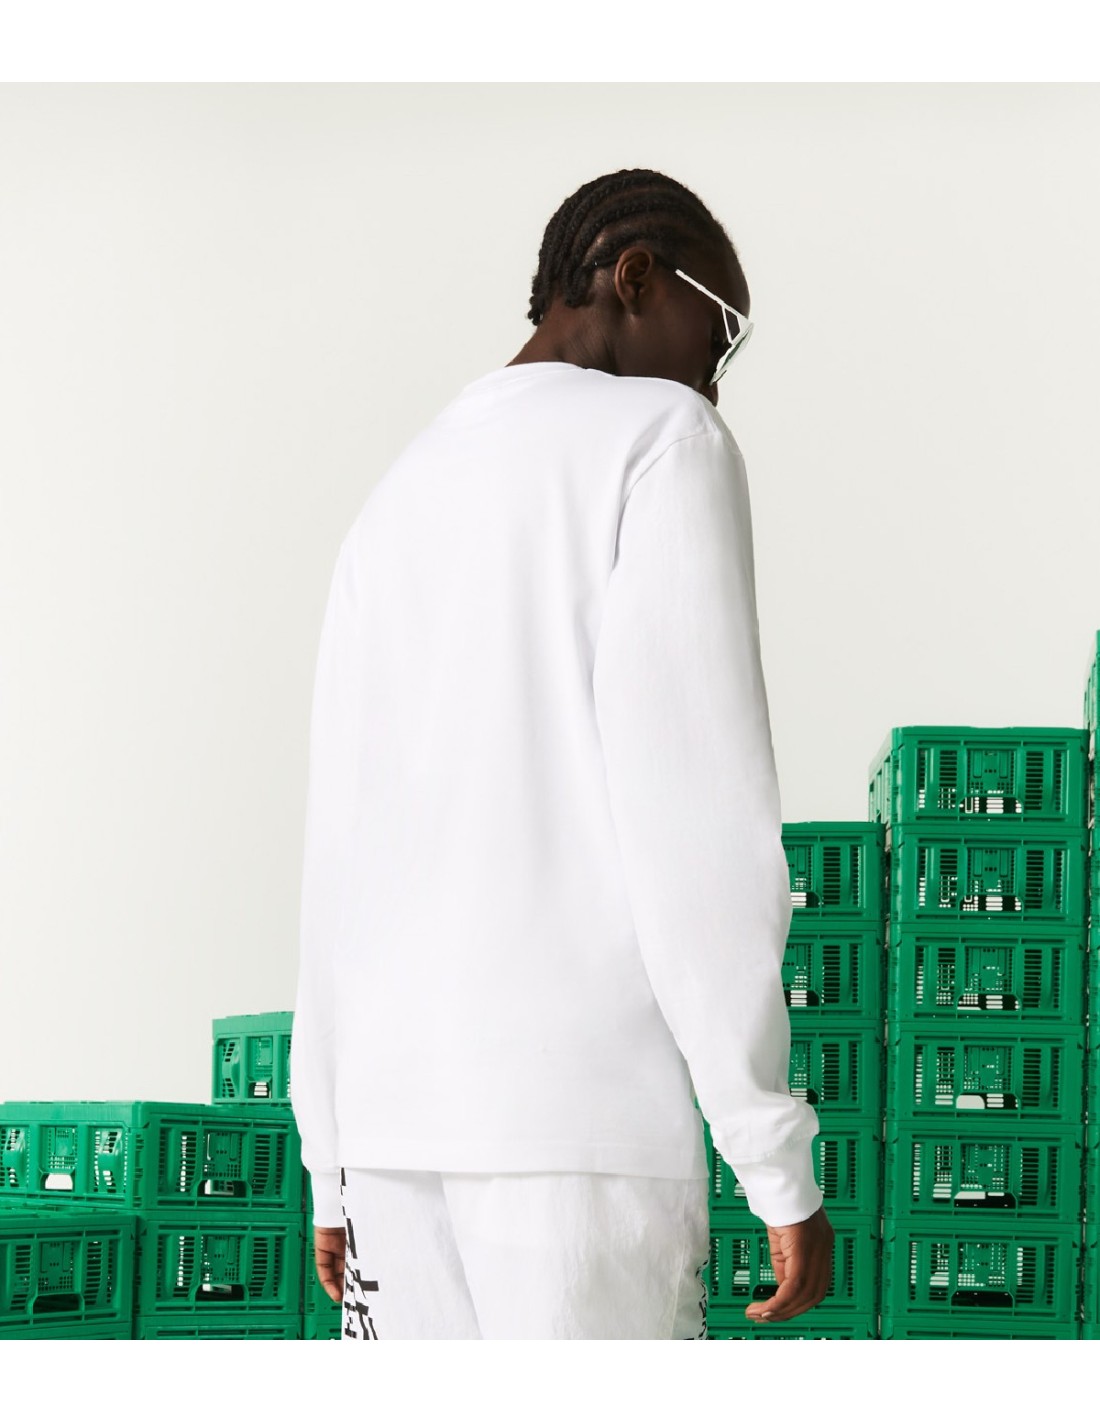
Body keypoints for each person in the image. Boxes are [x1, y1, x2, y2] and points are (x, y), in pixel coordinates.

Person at [290, 167, 835, 1341]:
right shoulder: (664, 442)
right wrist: (768, 1152)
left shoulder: (395, 494)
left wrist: (327, 1159)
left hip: (389, 1133)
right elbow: (694, 819)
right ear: (635, 278)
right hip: (578, 1133)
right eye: (718, 328)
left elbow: (337, 846)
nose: (716, 371)